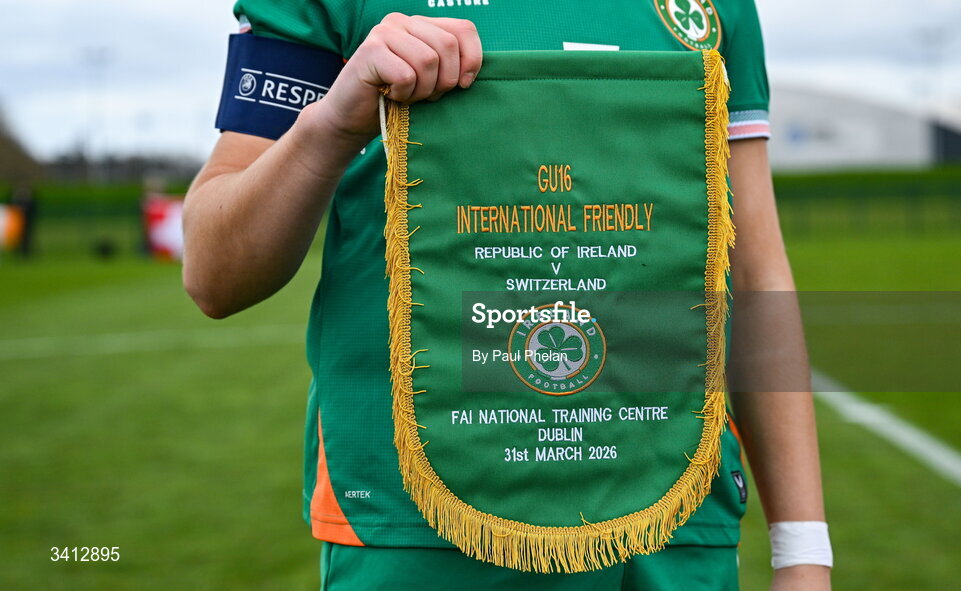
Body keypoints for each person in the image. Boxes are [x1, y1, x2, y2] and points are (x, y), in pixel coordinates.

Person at [183, 2, 831, 589]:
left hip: (671, 526)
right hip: (413, 527)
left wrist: (803, 552)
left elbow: (753, 273)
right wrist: (333, 123)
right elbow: (214, 271)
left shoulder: (719, 11)